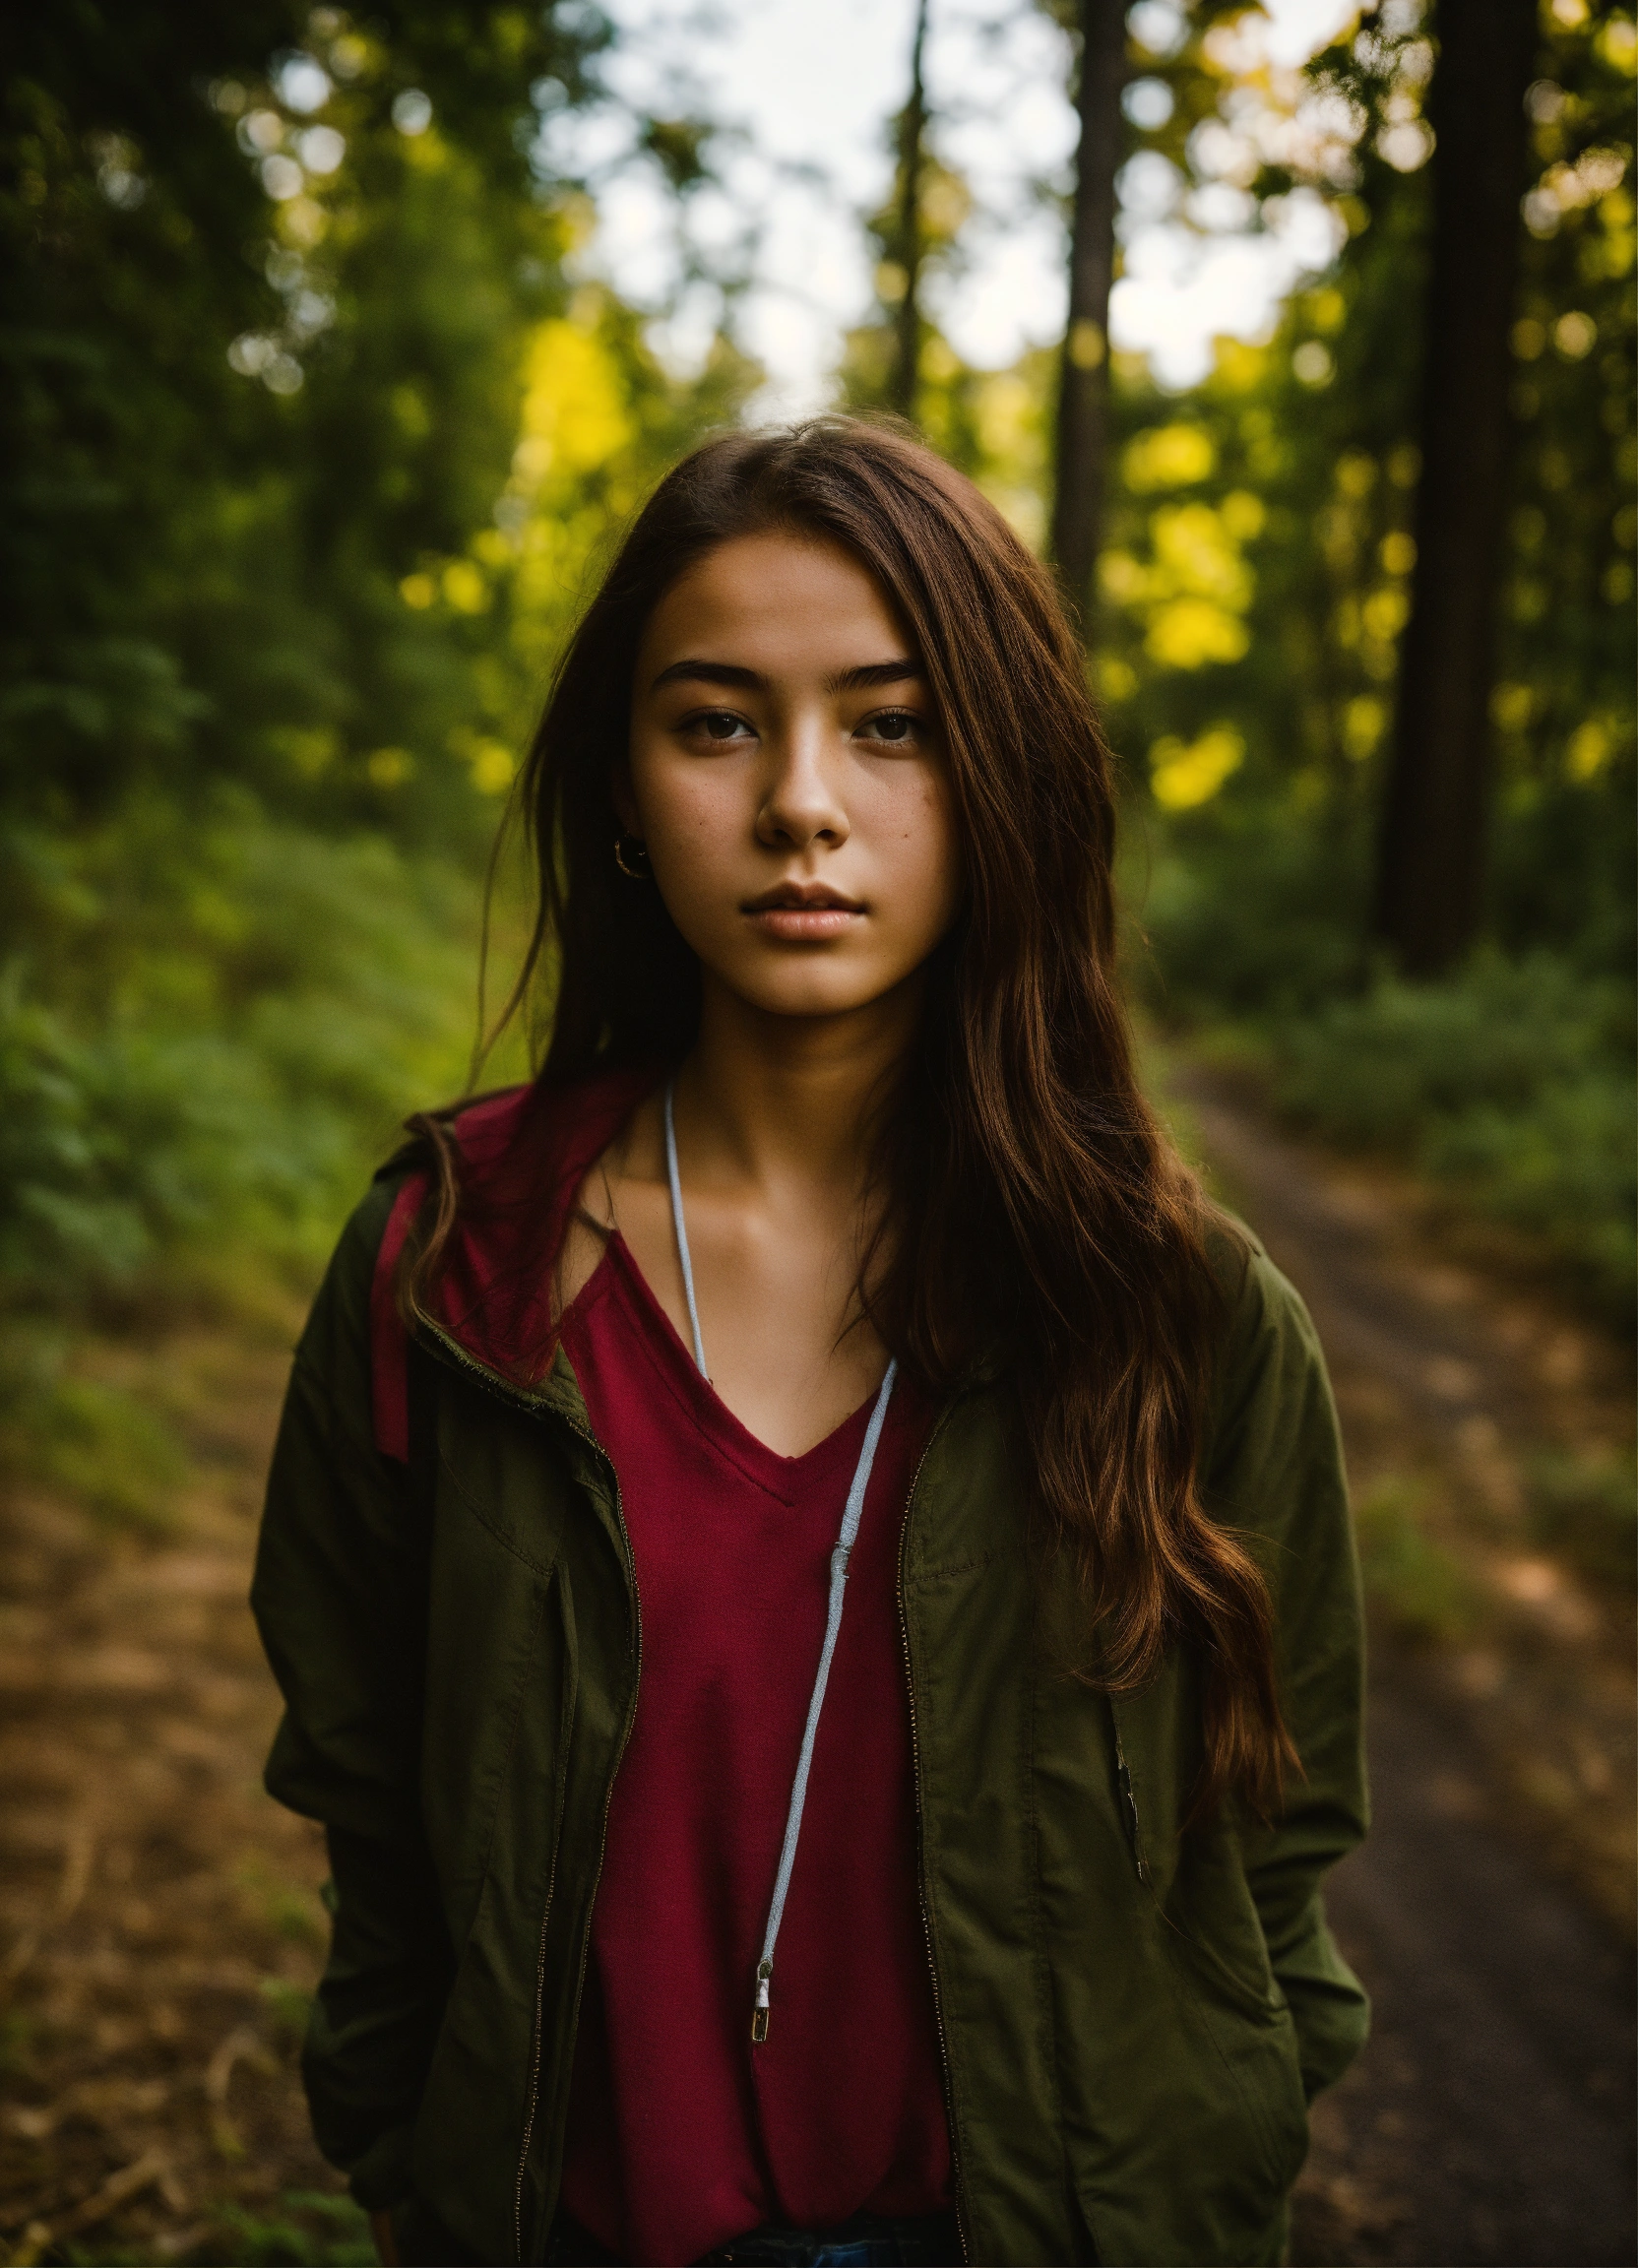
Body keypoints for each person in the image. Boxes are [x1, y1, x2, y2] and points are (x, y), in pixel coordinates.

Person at [252, 417, 1368, 2268]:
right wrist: (400, 2155)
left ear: (994, 770)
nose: (802, 803)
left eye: (890, 721)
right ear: (625, 781)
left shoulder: (1179, 1315)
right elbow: (368, 1803)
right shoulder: (452, 1285)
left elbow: (1281, 1842)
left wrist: (1217, 2152)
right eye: (715, 722)